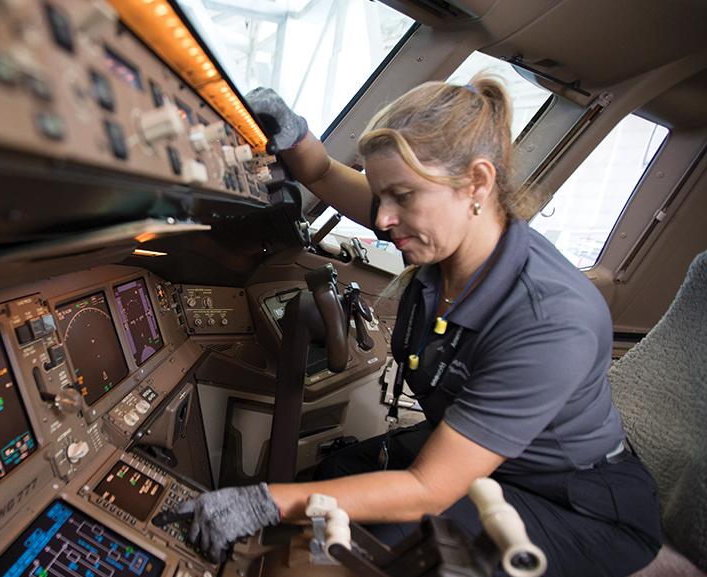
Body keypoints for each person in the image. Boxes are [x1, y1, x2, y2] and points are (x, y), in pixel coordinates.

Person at [173, 76, 663, 577]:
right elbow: (319, 171)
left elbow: (429, 490)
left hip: (571, 504)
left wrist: (265, 503)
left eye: (401, 197)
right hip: (483, 462)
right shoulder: (441, 225)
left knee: (392, 554)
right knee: (336, 474)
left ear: (477, 182)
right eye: (381, 195)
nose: (382, 219)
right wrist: (290, 132)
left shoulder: (551, 320)